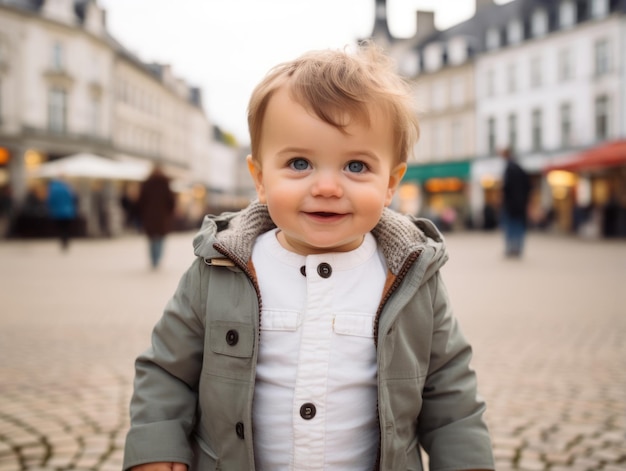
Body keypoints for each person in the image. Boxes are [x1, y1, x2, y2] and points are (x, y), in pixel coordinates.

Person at [123, 43, 494, 471]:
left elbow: (451, 393)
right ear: (260, 179)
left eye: (355, 166)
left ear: (391, 184)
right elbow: (167, 370)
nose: (327, 187)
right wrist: (155, 447)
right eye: (299, 163)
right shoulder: (222, 266)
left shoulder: (410, 276)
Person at [137, 165, 176, 269]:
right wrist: (169, 213)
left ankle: (153, 259)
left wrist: (142, 213)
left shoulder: (146, 183)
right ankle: (157, 260)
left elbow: (141, 201)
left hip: (149, 217)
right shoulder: (165, 184)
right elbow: (171, 201)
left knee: (152, 239)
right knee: (160, 239)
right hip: (162, 217)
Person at [500, 147, 531, 257]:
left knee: (511, 227)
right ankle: (518, 248)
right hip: (520, 205)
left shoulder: (509, 168)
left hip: (511, 205)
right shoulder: (520, 168)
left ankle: (511, 248)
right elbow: (528, 186)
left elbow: (506, 188)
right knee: (518, 227)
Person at [46, 177, 78, 250]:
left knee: (60, 228)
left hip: (57, 212)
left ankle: (63, 241)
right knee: (66, 228)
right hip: (68, 211)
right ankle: (66, 241)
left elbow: (50, 201)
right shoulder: (67, 187)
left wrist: (49, 209)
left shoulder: (53, 189)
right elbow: (74, 198)